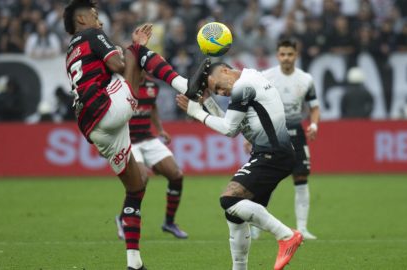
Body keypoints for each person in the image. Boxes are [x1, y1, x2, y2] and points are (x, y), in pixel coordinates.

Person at [63, 1, 196, 269]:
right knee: (135, 51)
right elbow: (118, 63)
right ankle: (186, 85)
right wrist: (134, 48)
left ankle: (134, 263)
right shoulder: (91, 34)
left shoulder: (70, 52)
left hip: (94, 129)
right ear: (81, 20)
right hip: (108, 109)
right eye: (95, 16)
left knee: (136, 188)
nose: (99, 21)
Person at [176, 59, 303, 270]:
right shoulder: (250, 77)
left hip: (272, 154)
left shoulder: (243, 86)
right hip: (272, 153)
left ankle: (286, 236)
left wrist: (196, 112)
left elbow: (228, 129)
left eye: (218, 86)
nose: (220, 92)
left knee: (229, 199)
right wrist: (207, 104)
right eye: (215, 91)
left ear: (225, 70)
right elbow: (234, 128)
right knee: (234, 213)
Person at [255, 38, 320, 241]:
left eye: (290, 54)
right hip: (270, 132)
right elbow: (255, 106)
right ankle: (256, 226)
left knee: (301, 179)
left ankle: (302, 228)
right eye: (282, 54)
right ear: (277, 56)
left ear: (296, 55)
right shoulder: (266, 77)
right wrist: (252, 134)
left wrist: (314, 124)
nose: (286, 58)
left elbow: (314, 106)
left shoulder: (306, 79)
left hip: (296, 131)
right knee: (266, 180)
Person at [115, 73, 188, 240]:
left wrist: (160, 129)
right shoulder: (121, 85)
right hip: (128, 141)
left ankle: (169, 222)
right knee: (141, 180)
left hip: (148, 139)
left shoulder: (152, 86)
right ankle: (123, 219)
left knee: (176, 175)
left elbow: (152, 106)